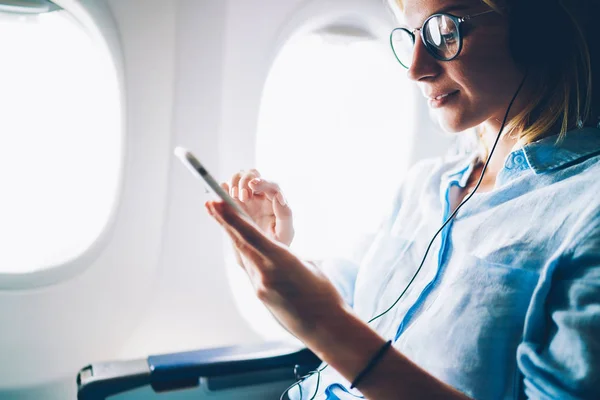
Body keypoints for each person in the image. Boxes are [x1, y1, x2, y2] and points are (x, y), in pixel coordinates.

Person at [204, 0, 600, 398]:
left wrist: (324, 324)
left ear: (537, 32)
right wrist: (273, 254)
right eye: (410, 36)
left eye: (444, 32)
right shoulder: (425, 185)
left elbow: (331, 323)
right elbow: (352, 297)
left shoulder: (587, 210)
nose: (414, 69)